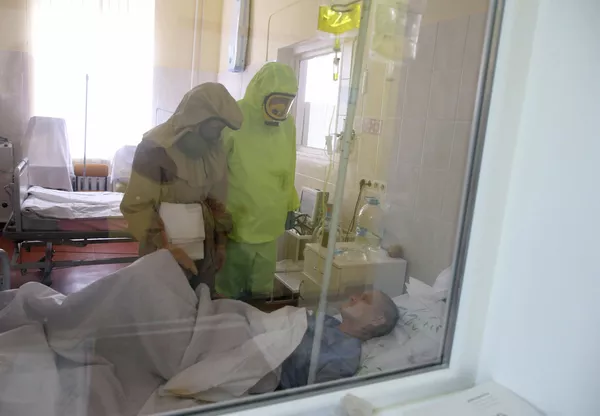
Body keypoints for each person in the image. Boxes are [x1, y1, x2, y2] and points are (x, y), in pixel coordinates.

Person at [121, 83, 243, 294]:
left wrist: (221, 244)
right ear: (196, 120)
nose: (217, 135)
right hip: (161, 248)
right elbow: (137, 207)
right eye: (214, 128)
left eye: (220, 130)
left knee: (202, 300)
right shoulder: (155, 148)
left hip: (204, 245)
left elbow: (218, 201)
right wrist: (165, 248)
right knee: (164, 303)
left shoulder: (214, 151)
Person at [216, 62, 300, 299]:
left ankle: (258, 321)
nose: (280, 109)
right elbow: (216, 169)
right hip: (237, 222)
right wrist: (215, 213)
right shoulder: (235, 117)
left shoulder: (288, 125)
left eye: (286, 102)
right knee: (228, 288)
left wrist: (291, 204)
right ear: (261, 95)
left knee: (262, 289)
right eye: (276, 101)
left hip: (269, 223)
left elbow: (289, 167)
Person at [279, 290, 400, 389]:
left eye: (364, 299)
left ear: (377, 320)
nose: (352, 297)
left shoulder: (343, 357)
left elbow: (314, 398)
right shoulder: (329, 321)